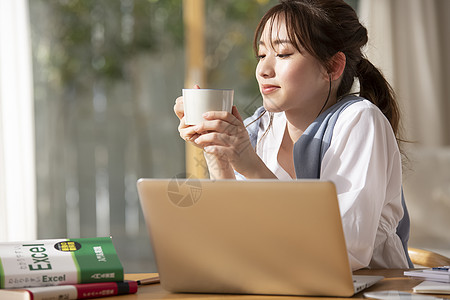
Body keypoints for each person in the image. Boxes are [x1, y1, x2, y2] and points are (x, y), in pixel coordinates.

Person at [174, 0, 412, 270]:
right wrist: (217, 154)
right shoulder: (257, 130)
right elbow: (234, 243)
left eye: (284, 54)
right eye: (262, 55)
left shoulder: (359, 121)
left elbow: (345, 252)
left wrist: (251, 166)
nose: (263, 70)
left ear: (332, 67)